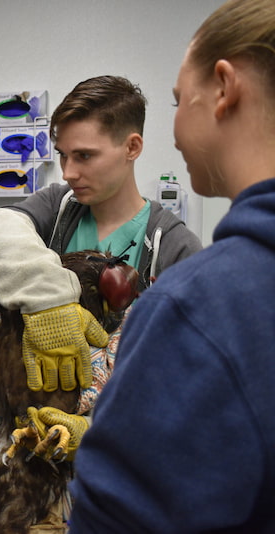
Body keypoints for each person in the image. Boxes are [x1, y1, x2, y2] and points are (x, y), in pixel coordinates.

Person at [68, 1, 275, 531]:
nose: (177, 125)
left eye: (180, 100)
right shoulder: (57, 213)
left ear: (225, 89)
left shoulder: (196, 302)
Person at [0, 75, 203, 532]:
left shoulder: (172, 246)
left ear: (132, 147)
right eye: (63, 156)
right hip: (21, 454)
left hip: (116, 466)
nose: (69, 172)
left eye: (85, 156)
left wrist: (95, 431)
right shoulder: (56, 209)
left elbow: (181, 385)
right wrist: (50, 302)